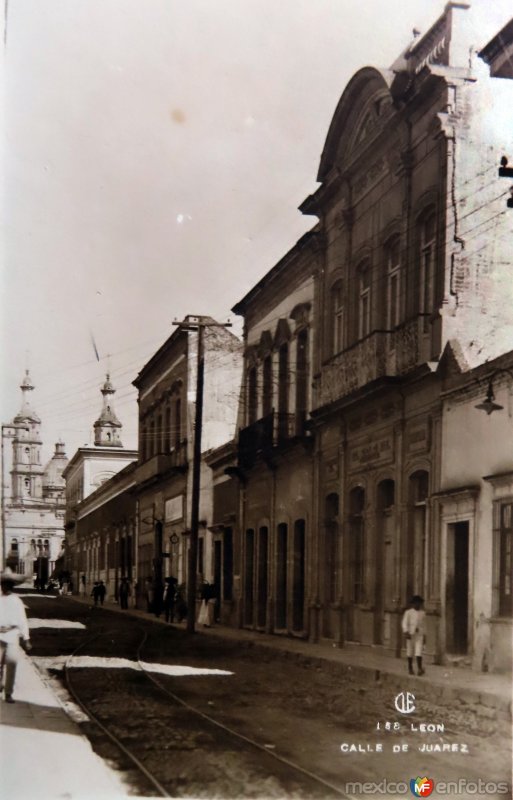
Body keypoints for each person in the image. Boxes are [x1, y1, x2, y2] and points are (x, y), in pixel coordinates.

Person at [0, 567, 32, 703]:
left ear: (12, 586)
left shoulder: (17, 601)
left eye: (8, 584)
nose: (5, 587)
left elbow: (22, 620)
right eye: (3, 584)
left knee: (12, 664)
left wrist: (26, 639)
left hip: (12, 636)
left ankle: (8, 693)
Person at [402, 595, 426, 676]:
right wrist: (406, 632)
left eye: (419, 603)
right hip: (410, 634)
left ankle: (419, 668)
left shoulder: (422, 613)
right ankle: (410, 668)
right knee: (410, 651)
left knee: (419, 651)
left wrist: (425, 634)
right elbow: (404, 623)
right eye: (416, 603)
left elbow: (424, 625)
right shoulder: (408, 612)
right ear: (413, 604)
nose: (417, 605)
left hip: (419, 634)